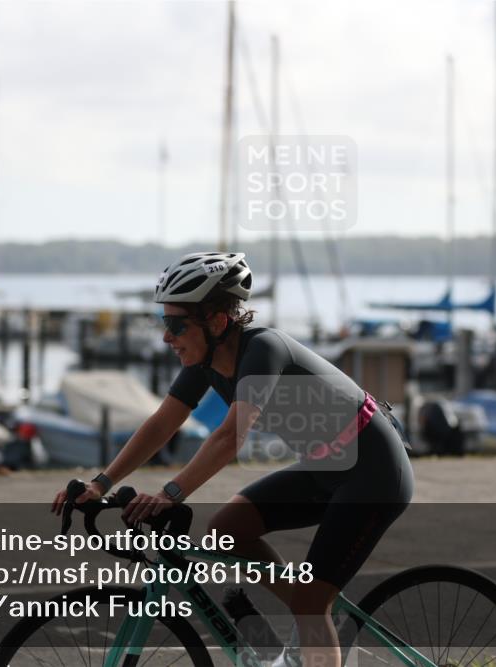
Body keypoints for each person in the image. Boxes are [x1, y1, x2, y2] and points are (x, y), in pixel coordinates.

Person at [52, 251, 414, 667]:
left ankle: (311, 623)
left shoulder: (264, 349)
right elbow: (161, 424)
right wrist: (102, 482)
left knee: (312, 603)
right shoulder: (205, 362)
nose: (167, 337)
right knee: (229, 528)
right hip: (327, 466)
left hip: (373, 471)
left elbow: (230, 436)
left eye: (175, 325)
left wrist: (172, 492)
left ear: (218, 321)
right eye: (163, 324)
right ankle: (309, 633)